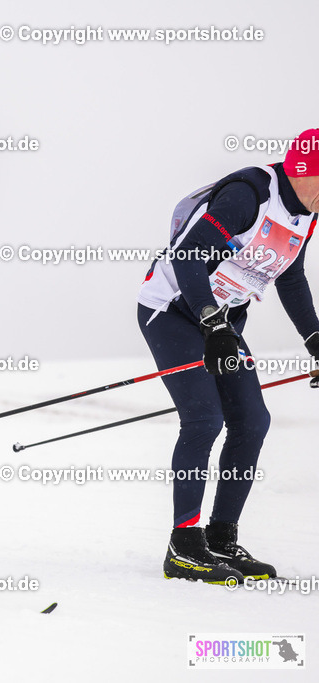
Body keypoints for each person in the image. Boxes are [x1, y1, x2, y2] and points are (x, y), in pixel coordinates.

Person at [138, 128, 319, 584]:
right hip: (174, 311)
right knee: (204, 420)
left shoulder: (308, 214)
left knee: (252, 421)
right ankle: (183, 545)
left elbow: (290, 276)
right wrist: (211, 322)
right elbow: (188, 258)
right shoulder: (249, 195)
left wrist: (315, 339)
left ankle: (220, 538)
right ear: (303, 172)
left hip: (221, 320)